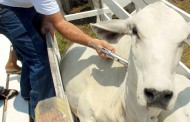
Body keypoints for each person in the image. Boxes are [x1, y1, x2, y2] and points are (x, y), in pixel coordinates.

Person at [0, 0, 115, 120]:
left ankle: (28, 91)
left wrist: (46, 18)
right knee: (40, 61)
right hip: (7, 10)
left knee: (31, 50)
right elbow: (61, 24)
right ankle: (44, 113)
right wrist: (94, 43)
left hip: (21, 5)